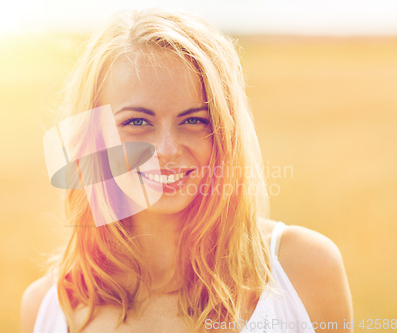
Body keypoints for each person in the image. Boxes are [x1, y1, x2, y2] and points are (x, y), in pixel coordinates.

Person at [21, 8, 353, 333]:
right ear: (95, 136)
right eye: (137, 122)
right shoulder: (46, 308)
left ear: (225, 133)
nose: (166, 149)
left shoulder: (303, 270)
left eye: (194, 120)